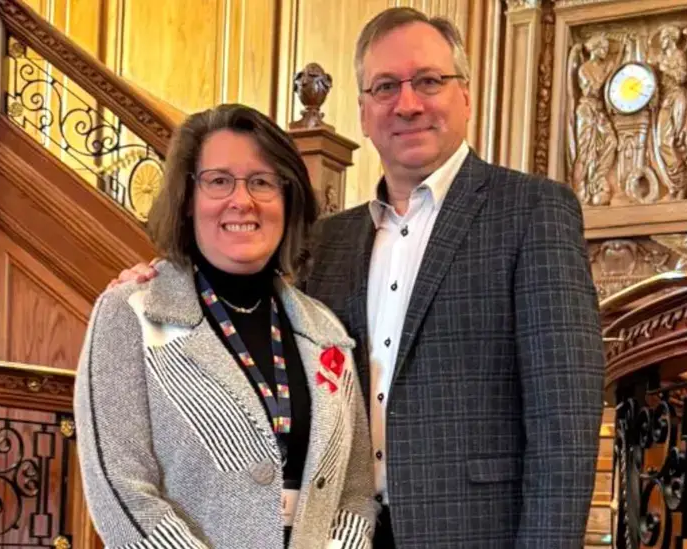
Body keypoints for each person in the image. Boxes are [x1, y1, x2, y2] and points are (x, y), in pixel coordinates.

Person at [114, 8, 604, 548]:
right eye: (385, 87)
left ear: (465, 96)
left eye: (429, 81)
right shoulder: (329, 240)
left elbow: (564, 422)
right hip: (340, 533)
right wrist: (164, 278)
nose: (408, 103)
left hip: (474, 531)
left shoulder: (532, 212)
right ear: (364, 112)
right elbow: (241, 303)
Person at [76, 104, 376, 549]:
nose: (242, 200)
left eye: (262, 181)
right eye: (219, 181)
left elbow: (353, 495)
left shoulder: (325, 329)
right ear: (187, 200)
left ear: (287, 200)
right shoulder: (131, 311)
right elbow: (120, 490)